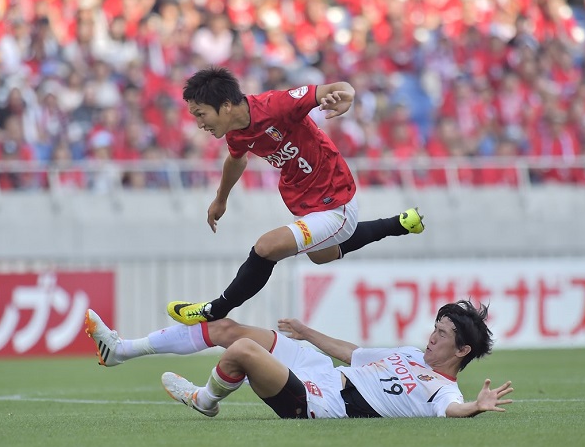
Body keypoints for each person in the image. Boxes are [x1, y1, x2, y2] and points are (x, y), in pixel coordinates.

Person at [167, 66, 425, 326]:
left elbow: (336, 88)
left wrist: (346, 94)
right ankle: (399, 223)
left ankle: (215, 309)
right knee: (321, 255)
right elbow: (236, 160)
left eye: (201, 114)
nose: (200, 124)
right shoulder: (236, 132)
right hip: (303, 199)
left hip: (335, 200)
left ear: (225, 106)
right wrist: (221, 199)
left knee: (266, 247)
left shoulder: (276, 105)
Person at [84, 301, 513, 419]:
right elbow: (351, 353)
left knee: (241, 353)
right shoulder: (409, 354)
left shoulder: (443, 388)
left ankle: (204, 400)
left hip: (315, 403)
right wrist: (307, 333)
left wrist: (475, 407)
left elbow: (450, 408)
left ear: (462, 352)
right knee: (229, 328)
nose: (430, 338)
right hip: (321, 372)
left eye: (441, 336)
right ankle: (119, 350)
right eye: (434, 328)